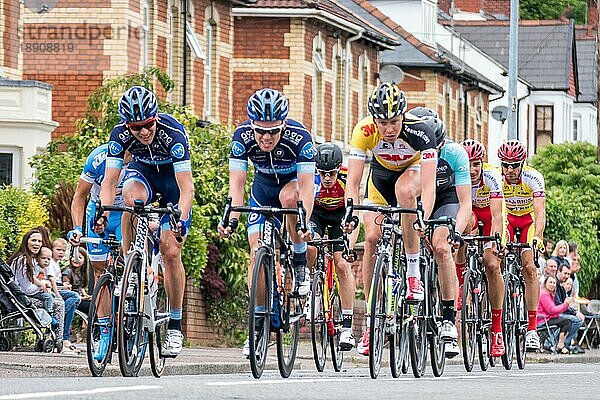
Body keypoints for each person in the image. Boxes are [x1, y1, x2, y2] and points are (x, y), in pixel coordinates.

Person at [95, 86, 194, 357]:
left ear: (155, 118)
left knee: (171, 250)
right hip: (144, 174)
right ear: (128, 124)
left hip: (173, 183)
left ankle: (174, 325)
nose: (144, 132)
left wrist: (181, 221)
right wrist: (103, 211)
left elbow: (187, 190)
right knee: (130, 198)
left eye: (148, 124)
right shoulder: (120, 135)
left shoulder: (172, 134)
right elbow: (109, 182)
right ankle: (131, 261)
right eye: (137, 127)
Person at [217, 88, 314, 357]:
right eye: (261, 131)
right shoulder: (241, 137)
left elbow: (307, 188)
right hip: (261, 189)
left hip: (292, 186)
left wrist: (304, 221)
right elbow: (236, 186)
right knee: (255, 249)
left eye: (273, 131)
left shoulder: (300, 138)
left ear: (283, 125)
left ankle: (299, 259)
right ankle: (258, 324)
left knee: (289, 197)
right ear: (252, 125)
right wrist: (231, 219)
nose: (266, 137)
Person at [343, 84, 438, 356]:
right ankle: (373, 320)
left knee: (405, 192)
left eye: (394, 122)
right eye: (383, 123)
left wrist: (424, 216)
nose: (389, 129)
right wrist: (351, 211)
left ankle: (412, 272)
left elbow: (430, 186)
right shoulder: (364, 131)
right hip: (380, 179)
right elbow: (354, 181)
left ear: (403, 116)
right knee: (371, 237)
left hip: (413, 173)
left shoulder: (421, 131)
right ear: (374, 120)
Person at [411, 109, 471, 359]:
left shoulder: (455, 154)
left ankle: (448, 320)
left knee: (442, 247)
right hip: (419, 197)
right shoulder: (409, 152)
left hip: (446, 199)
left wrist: (455, 232)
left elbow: (465, 202)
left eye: (438, 146)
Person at [67, 142, 129, 360]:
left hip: (126, 212)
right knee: (99, 271)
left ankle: (132, 297)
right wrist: (76, 228)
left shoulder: (141, 157)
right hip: (98, 211)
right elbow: (79, 196)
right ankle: (104, 332)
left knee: (128, 256)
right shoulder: (99, 157)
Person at [459, 139, 506, 357]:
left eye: (476, 164)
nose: (472, 170)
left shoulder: (492, 177)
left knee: (491, 264)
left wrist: (495, 241)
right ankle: (460, 284)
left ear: (482, 163)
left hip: (489, 218)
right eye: (468, 164)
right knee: (458, 231)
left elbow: (497, 216)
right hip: (470, 215)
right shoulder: (456, 174)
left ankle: (496, 329)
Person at [498, 139, 546, 351]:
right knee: (494, 259)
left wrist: (538, 236)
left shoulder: (533, 178)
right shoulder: (496, 178)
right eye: (506, 165)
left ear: (522, 164)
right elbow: (496, 213)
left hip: (527, 221)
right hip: (507, 219)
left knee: (528, 266)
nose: (509, 169)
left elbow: (539, 212)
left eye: (514, 165)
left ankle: (532, 330)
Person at [306, 143, 355, 350]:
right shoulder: (311, 177)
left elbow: (354, 210)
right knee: (310, 246)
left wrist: (349, 245)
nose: (327, 178)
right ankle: (311, 287)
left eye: (331, 173)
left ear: (338, 170)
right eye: (323, 173)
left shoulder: (346, 178)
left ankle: (347, 328)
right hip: (316, 213)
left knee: (342, 264)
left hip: (339, 217)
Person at [7, 229, 65, 350]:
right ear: (26, 242)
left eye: (39, 241)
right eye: (33, 240)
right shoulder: (22, 260)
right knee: (58, 304)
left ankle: (54, 334)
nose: (37, 244)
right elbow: (25, 289)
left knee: (55, 299)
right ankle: (58, 340)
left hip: (24, 296)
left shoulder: (31, 260)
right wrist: (42, 286)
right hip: (22, 299)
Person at [48, 239, 81, 348]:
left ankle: (65, 335)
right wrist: (59, 295)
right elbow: (51, 282)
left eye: (63, 250)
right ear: (52, 249)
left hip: (58, 289)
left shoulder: (57, 264)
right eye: (58, 250)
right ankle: (61, 322)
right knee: (74, 297)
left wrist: (64, 286)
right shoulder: (50, 263)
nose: (61, 253)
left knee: (75, 299)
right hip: (53, 291)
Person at [537, 275, 574, 354]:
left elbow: (552, 311)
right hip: (542, 321)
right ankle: (560, 345)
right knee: (567, 322)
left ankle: (560, 344)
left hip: (546, 318)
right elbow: (552, 310)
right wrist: (565, 304)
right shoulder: (544, 294)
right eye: (550, 282)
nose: (553, 284)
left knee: (566, 320)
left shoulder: (548, 294)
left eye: (554, 283)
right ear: (545, 283)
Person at [554, 264, 585, 353]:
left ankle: (562, 344)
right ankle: (563, 344)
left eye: (568, 274)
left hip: (557, 311)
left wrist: (574, 311)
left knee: (577, 318)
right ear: (558, 272)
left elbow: (564, 305)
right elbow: (560, 304)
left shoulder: (560, 285)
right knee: (576, 320)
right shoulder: (555, 284)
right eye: (565, 273)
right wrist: (575, 312)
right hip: (553, 313)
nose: (567, 276)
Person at [62, 247, 91, 315]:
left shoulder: (81, 272)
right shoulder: (67, 272)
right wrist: (82, 298)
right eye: (73, 257)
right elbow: (66, 291)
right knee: (91, 306)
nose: (75, 260)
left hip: (79, 297)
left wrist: (85, 295)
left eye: (79, 258)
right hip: (71, 299)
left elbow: (80, 286)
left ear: (84, 261)